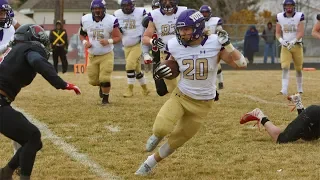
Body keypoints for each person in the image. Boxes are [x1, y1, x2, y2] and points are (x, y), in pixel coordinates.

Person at [135, 9, 247, 175]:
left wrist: (228, 45)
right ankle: (157, 136)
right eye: (180, 29)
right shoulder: (174, 44)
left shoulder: (215, 43)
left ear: (198, 28)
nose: (182, 33)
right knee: (160, 128)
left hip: (203, 105)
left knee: (176, 141)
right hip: (181, 96)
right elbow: (171, 64)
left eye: (186, 29)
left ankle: (150, 162)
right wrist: (163, 68)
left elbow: (241, 64)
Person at [0, 24, 81, 180]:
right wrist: (62, 84)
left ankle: (6, 172)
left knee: (34, 141)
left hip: (3, 101)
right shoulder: (30, 49)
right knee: (33, 136)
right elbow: (37, 61)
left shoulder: (14, 50)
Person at [79, 0, 122, 105]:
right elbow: (82, 35)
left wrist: (109, 41)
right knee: (93, 81)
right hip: (92, 55)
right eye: (95, 8)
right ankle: (101, 86)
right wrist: (85, 42)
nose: (97, 10)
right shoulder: (85, 19)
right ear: (91, 9)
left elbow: (118, 37)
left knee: (105, 77)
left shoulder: (111, 20)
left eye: (99, 8)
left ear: (104, 9)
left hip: (106, 54)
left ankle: (105, 100)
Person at [142, 0, 187, 96]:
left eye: (170, 0)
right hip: (166, 53)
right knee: (171, 87)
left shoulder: (184, 11)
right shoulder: (154, 15)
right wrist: (153, 41)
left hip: (184, 51)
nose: (167, 3)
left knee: (189, 80)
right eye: (164, 0)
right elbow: (145, 38)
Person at [240, 93, 320, 143]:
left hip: (316, 115)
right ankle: (259, 114)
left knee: (308, 137)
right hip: (313, 114)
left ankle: (298, 103)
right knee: (281, 139)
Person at [114, 0, 150, 97]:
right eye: (124, 5)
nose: (127, 7)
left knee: (129, 65)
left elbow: (149, 20)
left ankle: (129, 89)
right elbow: (112, 25)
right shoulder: (117, 14)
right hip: (126, 46)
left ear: (133, 5)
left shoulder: (141, 12)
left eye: (128, 5)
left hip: (138, 43)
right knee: (137, 70)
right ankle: (145, 89)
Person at [276, 0, 304, 95]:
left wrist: (294, 41)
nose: (289, 7)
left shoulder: (299, 16)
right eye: (287, 5)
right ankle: (284, 89)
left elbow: (301, 32)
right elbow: (277, 33)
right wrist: (281, 40)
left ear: (293, 6)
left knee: (299, 68)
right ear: (284, 6)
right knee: (285, 67)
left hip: (297, 45)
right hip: (285, 46)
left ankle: (300, 88)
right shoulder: (279, 16)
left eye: (290, 5)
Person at [200, 4, 224, 89]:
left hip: (214, 45)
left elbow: (220, 30)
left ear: (210, 13)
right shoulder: (198, 21)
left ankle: (220, 81)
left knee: (216, 65)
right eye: (202, 13)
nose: (204, 14)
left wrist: (219, 31)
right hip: (202, 45)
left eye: (206, 12)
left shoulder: (215, 20)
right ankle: (207, 82)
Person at [141, 0, 160, 74]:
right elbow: (144, 38)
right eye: (155, 8)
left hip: (169, 54)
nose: (157, 10)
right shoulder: (147, 21)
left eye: (159, 7)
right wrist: (145, 54)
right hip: (156, 55)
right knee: (158, 81)